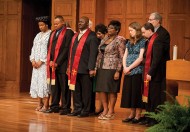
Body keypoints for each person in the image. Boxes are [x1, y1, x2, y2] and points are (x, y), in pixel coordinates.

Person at [67, 16, 99, 117]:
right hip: (75, 68)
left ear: (87, 24)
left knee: (86, 92)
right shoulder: (75, 35)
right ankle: (77, 109)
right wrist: (69, 66)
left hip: (85, 69)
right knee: (76, 91)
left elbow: (93, 54)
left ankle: (86, 110)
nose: (79, 23)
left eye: (82, 22)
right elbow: (71, 52)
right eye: (79, 21)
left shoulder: (92, 36)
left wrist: (91, 68)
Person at [95, 20, 125, 120]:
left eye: (111, 28)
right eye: (108, 27)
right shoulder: (105, 38)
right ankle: (105, 109)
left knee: (111, 90)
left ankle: (111, 111)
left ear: (117, 30)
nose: (109, 29)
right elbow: (99, 54)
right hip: (101, 67)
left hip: (112, 68)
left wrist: (118, 71)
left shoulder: (120, 39)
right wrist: (96, 67)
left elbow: (122, 56)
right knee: (101, 90)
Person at [44, 15, 74, 115]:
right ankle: (54, 106)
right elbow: (49, 48)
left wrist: (57, 62)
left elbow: (66, 49)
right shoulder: (53, 33)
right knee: (54, 87)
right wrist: (51, 61)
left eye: (57, 23)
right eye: (54, 23)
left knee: (64, 87)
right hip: (53, 65)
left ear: (62, 23)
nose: (55, 25)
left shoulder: (68, 32)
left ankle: (65, 108)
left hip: (63, 64)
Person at [140, 22, 167, 127]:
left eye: (143, 32)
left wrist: (150, 72)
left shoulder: (157, 40)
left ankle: (155, 120)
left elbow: (156, 59)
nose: (142, 34)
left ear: (150, 30)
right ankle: (149, 118)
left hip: (154, 75)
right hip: (147, 73)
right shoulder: (149, 40)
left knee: (154, 97)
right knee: (148, 97)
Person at [121, 22, 146, 123]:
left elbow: (140, 58)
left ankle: (138, 115)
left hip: (137, 70)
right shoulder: (129, 41)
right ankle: (131, 114)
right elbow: (125, 55)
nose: (130, 32)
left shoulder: (142, 41)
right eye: (129, 30)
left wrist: (129, 67)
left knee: (136, 93)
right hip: (127, 70)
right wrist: (124, 67)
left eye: (131, 30)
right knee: (129, 92)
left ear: (137, 30)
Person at [29, 16, 51, 112]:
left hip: (44, 64)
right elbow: (33, 48)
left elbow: (49, 50)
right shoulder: (38, 35)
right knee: (37, 83)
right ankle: (39, 103)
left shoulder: (50, 34)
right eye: (39, 25)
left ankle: (46, 104)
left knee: (45, 83)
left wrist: (41, 61)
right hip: (36, 64)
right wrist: (33, 60)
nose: (40, 27)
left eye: (42, 25)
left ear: (46, 25)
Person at [148, 12, 170, 103]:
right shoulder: (152, 32)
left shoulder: (162, 33)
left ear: (157, 21)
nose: (148, 21)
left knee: (156, 93)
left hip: (158, 69)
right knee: (151, 92)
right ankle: (149, 114)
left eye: (150, 20)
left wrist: (151, 71)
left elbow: (158, 56)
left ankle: (155, 115)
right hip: (151, 66)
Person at [94, 23, 108, 115]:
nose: (98, 36)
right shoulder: (98, 41)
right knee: (99, 89)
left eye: (100, 34)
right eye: (97, 34)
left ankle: (105, 108)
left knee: (105, 89)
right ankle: (101, 107)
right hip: (99, 66)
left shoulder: (108, 40)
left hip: (107, 66)